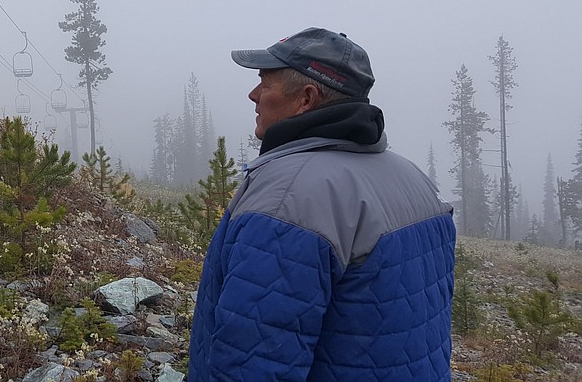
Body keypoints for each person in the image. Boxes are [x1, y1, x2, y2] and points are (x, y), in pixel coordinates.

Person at [187, 27, 455, 381]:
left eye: (265, 84)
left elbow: (255, 361)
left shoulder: (288, 198)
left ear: (306, 98)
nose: (253, 95)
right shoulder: (415, 180)